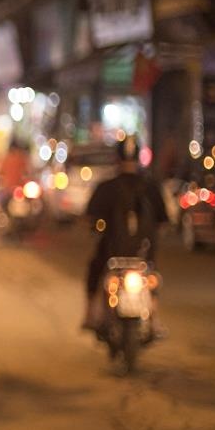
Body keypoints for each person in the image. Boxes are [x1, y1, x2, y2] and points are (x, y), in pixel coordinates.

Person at [81, 137, 169, 329]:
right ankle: (154, 316)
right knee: (152, 274)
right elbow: (163, 222)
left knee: (97, 268)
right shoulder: (150, 187)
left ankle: (90, 312)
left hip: (117, 253)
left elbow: (90, 217)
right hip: (142, 253)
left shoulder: (107, 187)